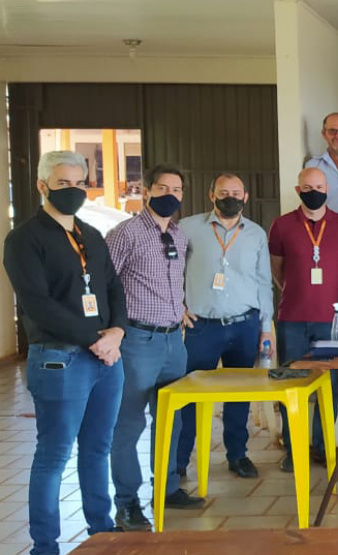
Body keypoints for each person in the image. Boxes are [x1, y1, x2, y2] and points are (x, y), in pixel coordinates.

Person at [3, 151, 127, 555]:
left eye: (79, 183)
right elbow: (37, 303)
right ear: (42, 186)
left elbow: (113, 287)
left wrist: (118, 331)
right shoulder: (24, 239)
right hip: (60, 359)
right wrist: (95, 339)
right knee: (53, 455)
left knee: (97, 449)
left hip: (106, 359)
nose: (72, 190)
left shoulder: (91, 234)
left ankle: (102, 532)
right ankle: (45, 546)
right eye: (62, 183)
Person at [107, 164, 204, 532]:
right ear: (146, 191)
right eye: (163, 188)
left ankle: (167, 488)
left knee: (170, 419)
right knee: (129, 423)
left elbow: (170, 282)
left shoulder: (179, 235)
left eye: (176, 190)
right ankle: (127, 503)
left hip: (173, 341)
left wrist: (179, 307)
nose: (170, 195)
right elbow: (106, 285)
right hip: (137, 341)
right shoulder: (125, 234)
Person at [176, 172, 274, 479]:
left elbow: (264, 282)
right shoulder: (188, 228)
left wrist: (266, 327)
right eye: (223, 193)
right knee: (189, 396)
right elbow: (170, 271)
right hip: (201, 327)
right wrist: (177, 306)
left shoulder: (256, 234)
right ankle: (178, 462)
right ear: (211, 195)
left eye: (235, 193)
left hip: (245, 326)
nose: (229, 198)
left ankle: (237, 455)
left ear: (245, 197)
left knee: (239, 395)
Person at [268, 167, 338, 472]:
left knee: (327, 386)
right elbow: (277, 269)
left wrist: (326, 292)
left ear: (327, 189)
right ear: (298, 190)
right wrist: (298, 290)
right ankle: (293, 451)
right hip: (291, 319)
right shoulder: (281, 226)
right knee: (290, 387)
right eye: (307, 187)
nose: (313, 192)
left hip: (330, 320)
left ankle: (322, 446)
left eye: (318, 186)